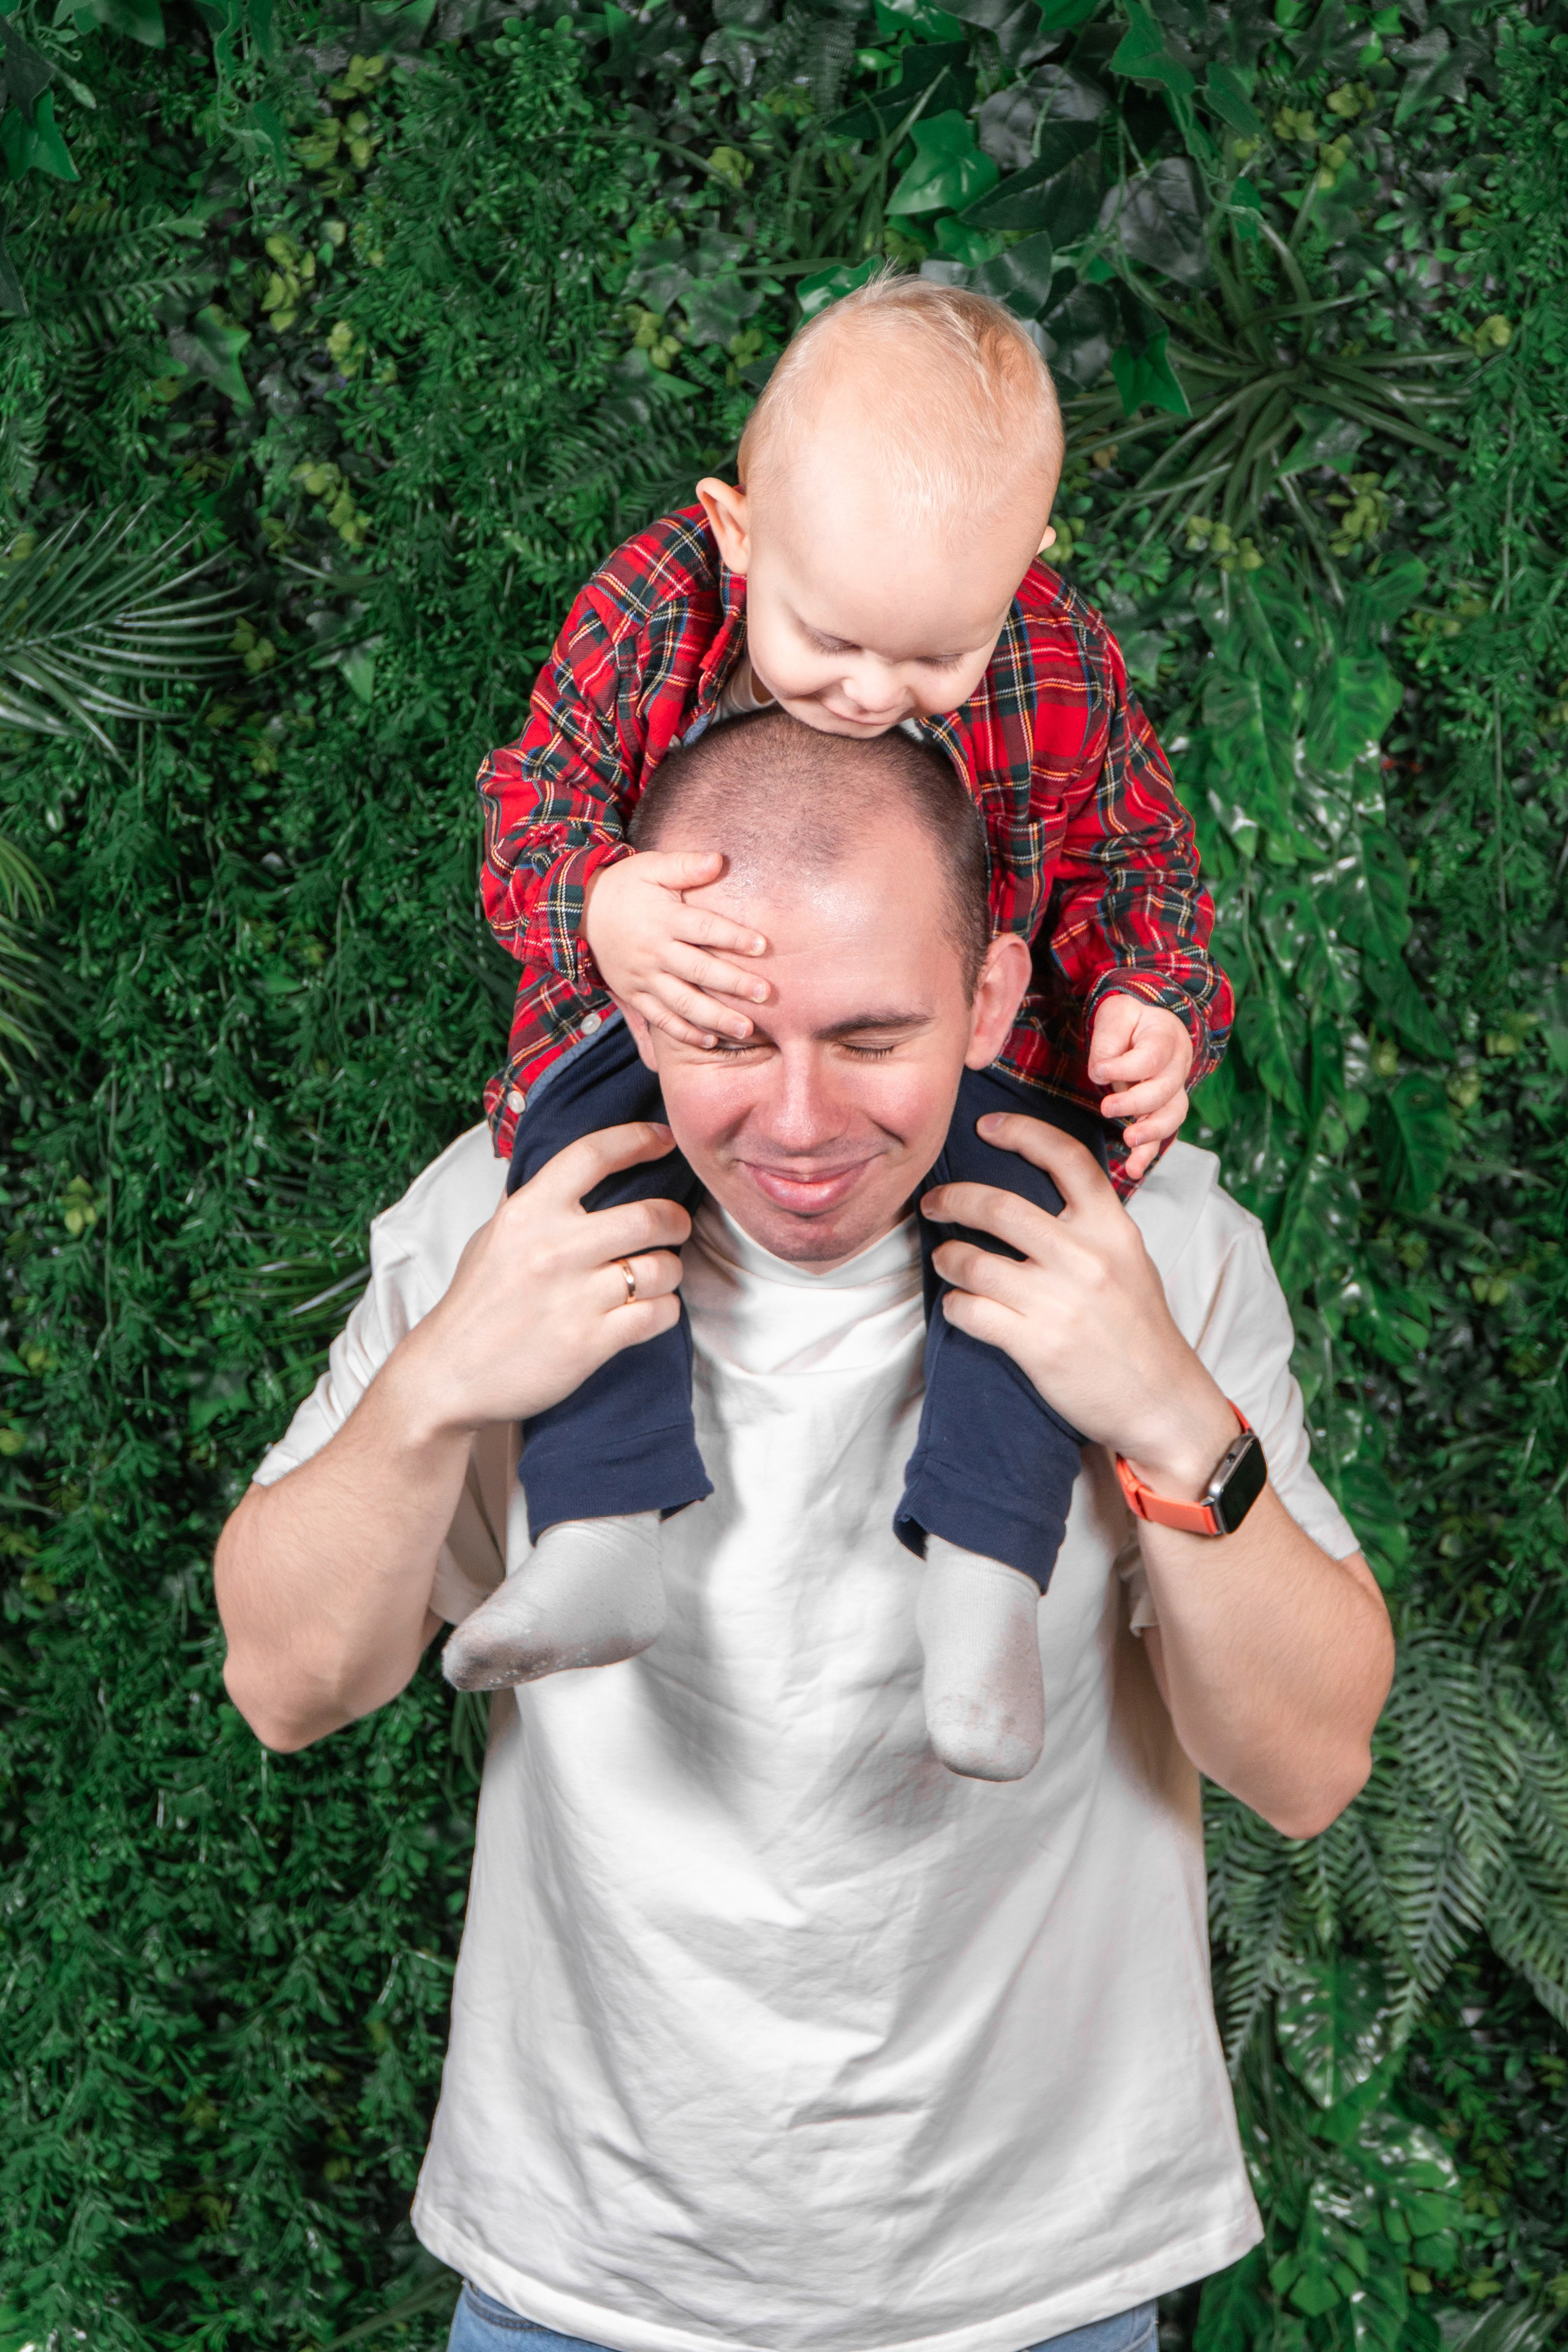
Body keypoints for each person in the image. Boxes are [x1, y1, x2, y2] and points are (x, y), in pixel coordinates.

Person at [215, 720, 1394, 2352]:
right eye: (729, 1035)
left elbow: (1310, 1762)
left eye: (871, 1035)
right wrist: (437, 1388)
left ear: (991, 996)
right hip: (585, 2276)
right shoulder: (498, 1227)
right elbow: (288, 1683)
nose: (797, 1118)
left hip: (1032, 2289)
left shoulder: (1163, 1251)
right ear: (635, 998)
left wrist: (1170, 1413)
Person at [469, 276, 1237, 1744]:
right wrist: (596, 903)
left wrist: (1150, 992)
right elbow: (530, 799)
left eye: (933, 656)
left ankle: (985, 1588)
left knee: (1031, 1227)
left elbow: (1136, 847)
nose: (876, 693)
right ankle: (597, 1535)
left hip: (947, 1059)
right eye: (828, 639)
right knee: (581, 1182)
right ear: (737, 529)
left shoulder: (1055, 655)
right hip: (669, 1030)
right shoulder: (651, 604)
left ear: (1022, 569)